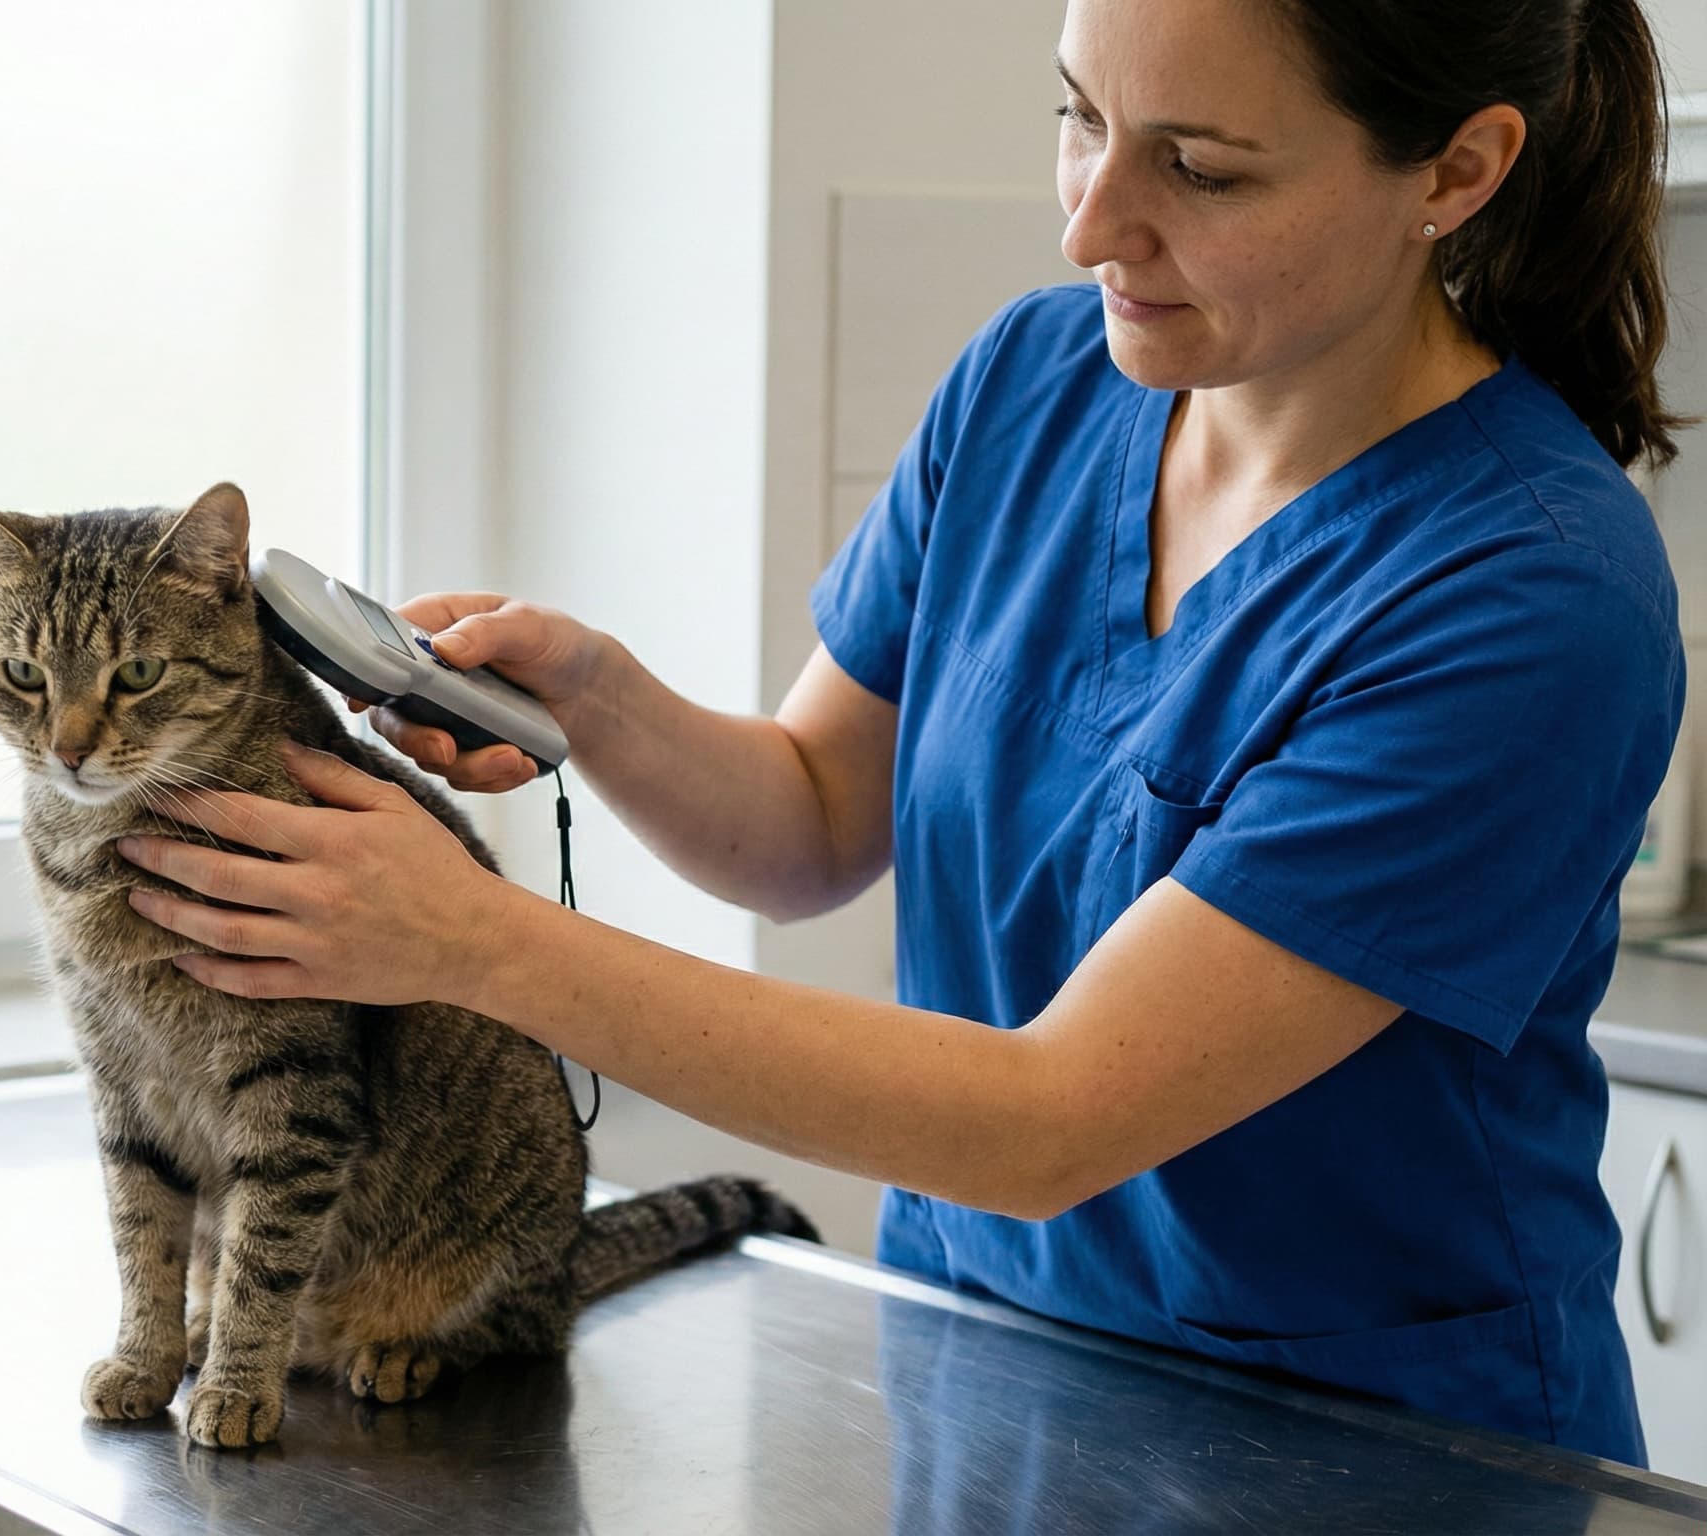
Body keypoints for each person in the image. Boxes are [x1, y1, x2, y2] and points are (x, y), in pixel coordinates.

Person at [114, 0, 1685, 1463]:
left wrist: (473, 944)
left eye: (1198, 168)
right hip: (994, 1369)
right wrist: (598, 703)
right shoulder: (1035, 380)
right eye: (1081, 119)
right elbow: (802, 824)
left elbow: (1051, 1122)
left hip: (1375, 1452)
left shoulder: (1526, 593)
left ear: (1458, 171)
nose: (1091, 224)